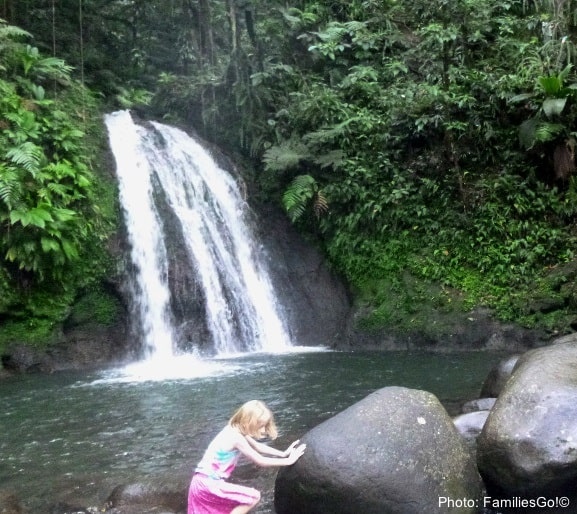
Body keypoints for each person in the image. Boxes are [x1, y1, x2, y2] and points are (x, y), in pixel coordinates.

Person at [187, 400, 306, 514]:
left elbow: (258, 447)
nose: (264, 430)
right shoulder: (235, 437)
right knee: (253, 497)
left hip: (200, 483)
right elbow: (260, 460)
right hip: (208, 484)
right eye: (260, 426)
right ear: (248, 422)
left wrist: (284, 453)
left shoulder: (234, 429)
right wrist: (289, 461)